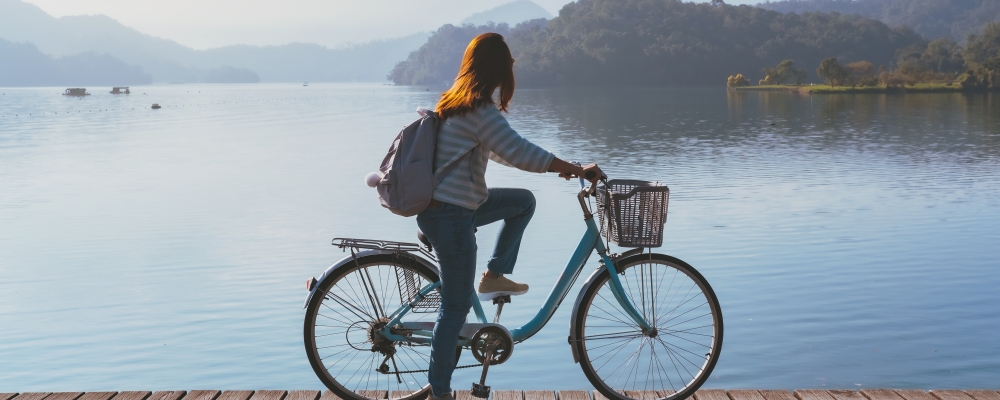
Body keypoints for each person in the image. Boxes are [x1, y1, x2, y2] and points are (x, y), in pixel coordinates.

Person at [416, 32, 602, 400]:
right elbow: (518, 151)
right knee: (454, 308)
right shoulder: (478, 109)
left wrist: (559, 166)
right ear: (498, 69)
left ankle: (494, 275)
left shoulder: (455, 104)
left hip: (453, 207)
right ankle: (439, 393)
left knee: (523, 201)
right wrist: (576, 168)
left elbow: (501, 150)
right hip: (450, 216)